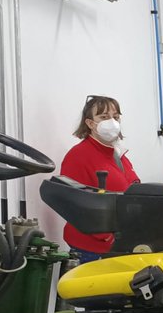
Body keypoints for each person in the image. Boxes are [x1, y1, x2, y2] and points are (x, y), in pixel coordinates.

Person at [58, 95, 140, 262]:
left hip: (121, 244)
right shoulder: (78, 156)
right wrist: (106, 236)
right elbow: (73, 203)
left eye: (115, 117)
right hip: (92, 250)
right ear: (90, 123)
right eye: (104, 117)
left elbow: (133, 186)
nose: (112, 122)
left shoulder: (117, 154)